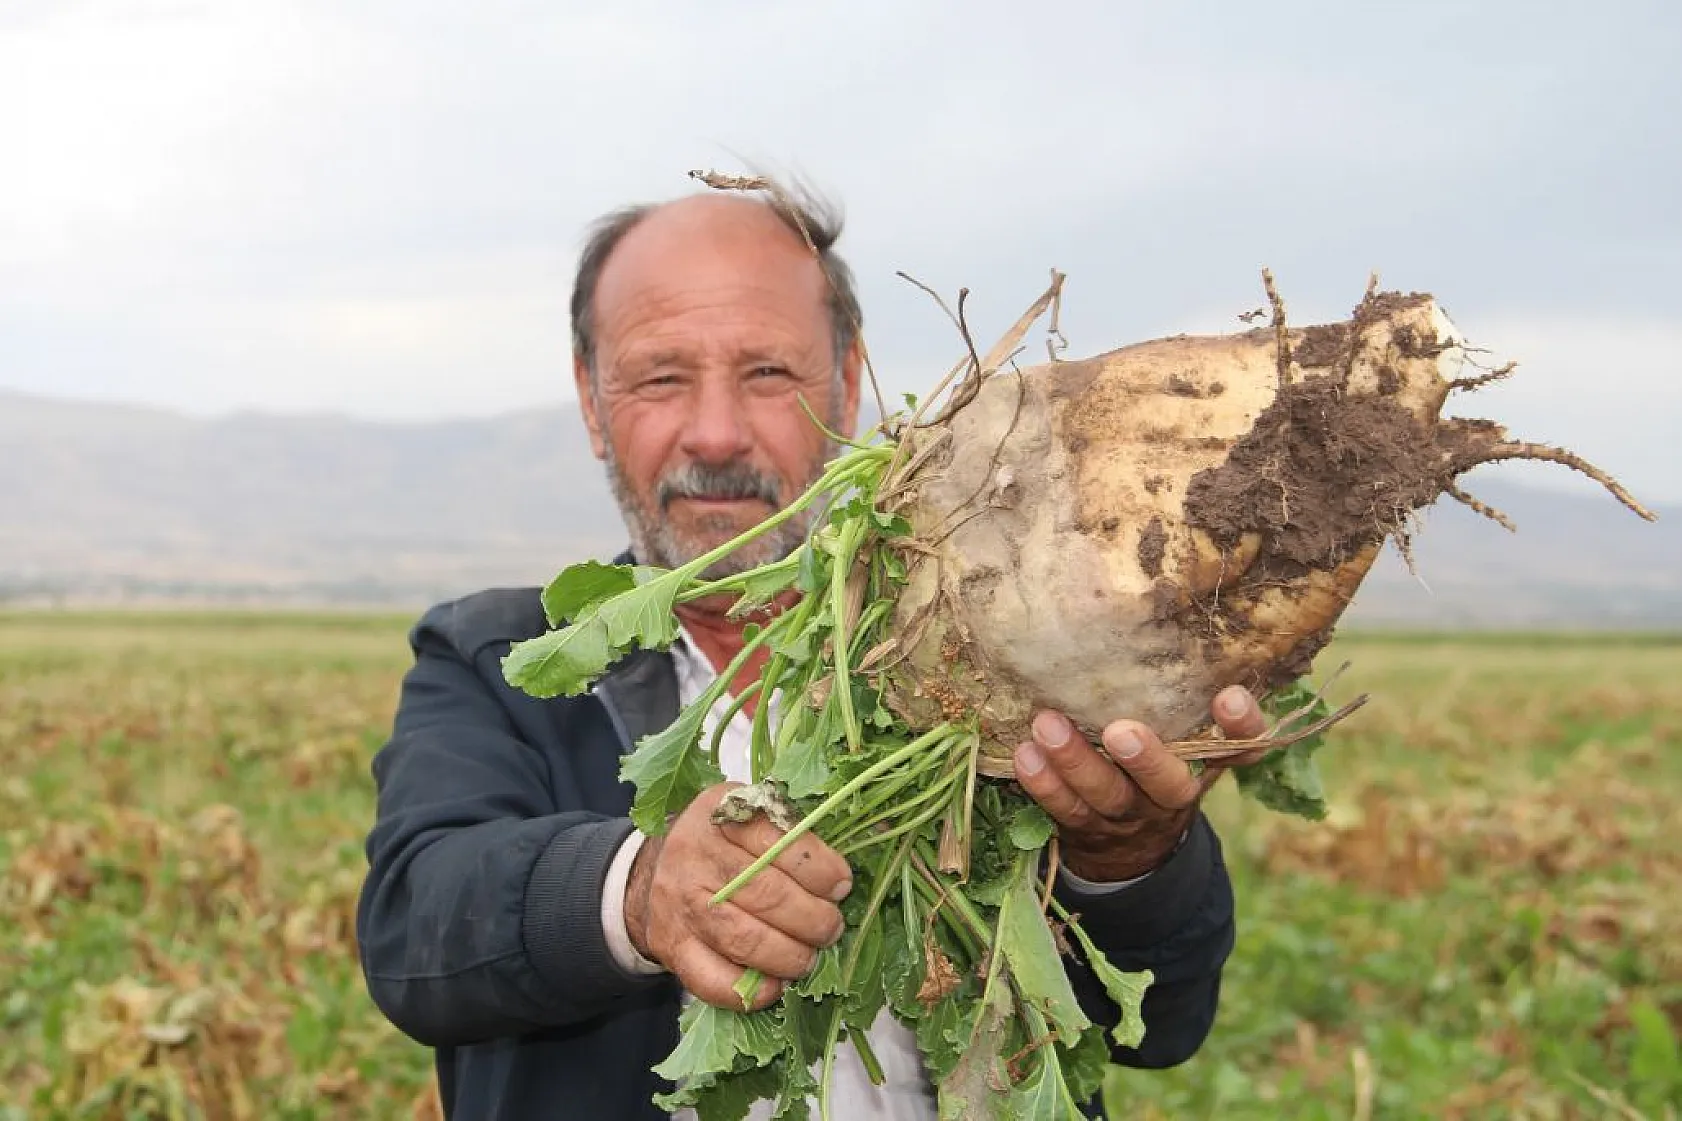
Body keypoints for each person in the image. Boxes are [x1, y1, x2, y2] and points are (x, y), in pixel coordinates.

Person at [354, 181, 1266, 1121]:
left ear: (846, 380)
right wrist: (637, 890)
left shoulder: (993, 655)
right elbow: (416, 926)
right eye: (661, 378)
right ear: (592, 401)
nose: (716, 434)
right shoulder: (496, 660)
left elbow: (1159, 1025)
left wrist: (1123, 857)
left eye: (766, 373)